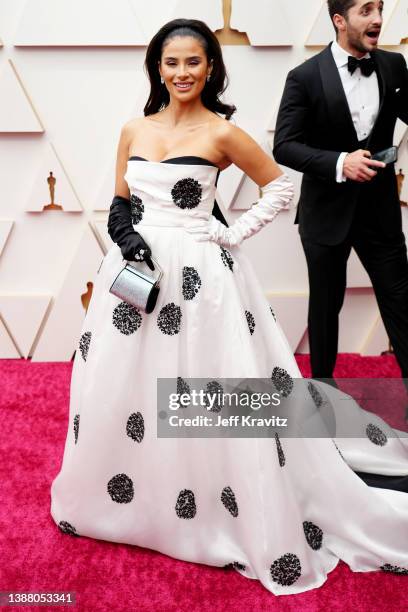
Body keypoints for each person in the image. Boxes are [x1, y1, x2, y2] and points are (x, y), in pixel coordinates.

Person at [50, 18, 408, 596]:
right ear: (156, 69)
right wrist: (128, 235)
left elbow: (280, 185)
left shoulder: (222, 133)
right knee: (120, 385)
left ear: (211, 67)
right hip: (135, 277)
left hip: (200, 280)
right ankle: (130, 501)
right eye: (171, 63)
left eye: (193, 62)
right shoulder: (132, 128)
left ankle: (211, 505)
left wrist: (232, 236)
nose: (182, 72)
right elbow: (119, 200)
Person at [273, 0, 408, 390]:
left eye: (380, 8)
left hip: (380, 211)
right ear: (339, 20)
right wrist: (339, 163)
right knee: (326, 306)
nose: (378, 19)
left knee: (401, 301)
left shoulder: (393, 66)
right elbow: (285, 145)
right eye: (366, 10)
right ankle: (323, 398)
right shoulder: (305, 77)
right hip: (325, 214)